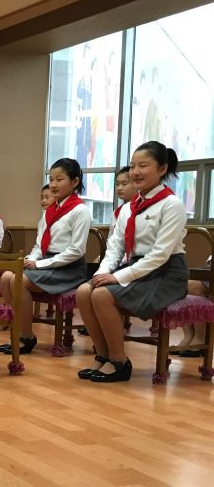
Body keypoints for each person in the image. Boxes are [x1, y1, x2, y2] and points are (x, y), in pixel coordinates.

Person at [76, 141, 187, 382]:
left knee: (102, 295)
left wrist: (117, 277)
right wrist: (102, 273)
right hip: (135, 268)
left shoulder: (172, 205)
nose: (135, 171)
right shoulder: (128, 208)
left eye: (143, 165)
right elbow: (115, 246)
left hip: (165, 274)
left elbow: (160, 255)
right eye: (132, 165)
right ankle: (103, 356)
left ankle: (120, 362)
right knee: (85, 291)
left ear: (162, 169)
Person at [0, 158, 91, 355]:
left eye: (59, 179)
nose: (53, 185)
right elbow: (40, 244)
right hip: (48, 263)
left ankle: (26, 337)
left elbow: (76, 251)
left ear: (74, 182)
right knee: (7, 276)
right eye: (51, 179)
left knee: (18, 281)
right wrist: (30, 260)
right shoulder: (50, 211)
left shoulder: (80, 211)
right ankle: (17, 331)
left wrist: (39, 265)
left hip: (69, 268)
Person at [108, 166, 137, 239]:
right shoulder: (116, 213)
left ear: (136, 184)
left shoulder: (141, 210)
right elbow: (111, 239)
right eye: (117, 184)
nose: (119, 188)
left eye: (124, 184)